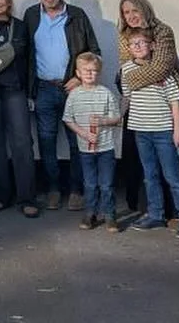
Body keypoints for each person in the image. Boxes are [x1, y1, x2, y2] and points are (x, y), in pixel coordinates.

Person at [23, 0, 99, 212]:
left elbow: (94, 51)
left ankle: (76, 190)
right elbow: (26, 54)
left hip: (72, 88)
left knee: (76, 141)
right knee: (46, 142)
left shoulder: (77, 15)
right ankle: (53, 189)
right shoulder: (31, 15)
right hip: (43, 88)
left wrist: (79, 77)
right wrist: (28, 89)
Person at [115, 0, 179, 217]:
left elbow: (161, 68)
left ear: (144, 9)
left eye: (135, 10)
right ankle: (151, 211)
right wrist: (132, 78)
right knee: (144, 169)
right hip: (139, 112)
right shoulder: (124, 34)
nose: (131, 16)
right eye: (126, 12)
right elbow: (126, 68)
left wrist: (131, 77)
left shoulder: (162, 31)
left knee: (171, 170)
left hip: (161, 111)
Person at [122, 28, 179, 239]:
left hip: (163, 131)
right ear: (129, 48)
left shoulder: (162, 69)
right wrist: (117, 118)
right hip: (141, 131)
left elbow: (175, 102)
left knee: (173, 175)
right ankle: (156, 214)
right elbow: (127, 98)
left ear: (153, 45)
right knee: (150, 175)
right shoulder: (127, 69)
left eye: (142, 42)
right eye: (133, 43)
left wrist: (178, 130)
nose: (138, 46)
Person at [0, 0, 38, 217]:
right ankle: (0, 195)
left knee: (22, 143)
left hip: (15, 91)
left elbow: (30, 61)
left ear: (9, 1)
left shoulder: (21, 27)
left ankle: (27, 197)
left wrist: (31, 91)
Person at [62, 53, 121, 233]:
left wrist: (103, 121)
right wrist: (84, 133)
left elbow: (117, 118)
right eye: (86, 70)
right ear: (78, 73)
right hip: (85, 149)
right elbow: (68, 119)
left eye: (94, 71)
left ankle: (110, 215)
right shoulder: (74, 95)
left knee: (106, 184)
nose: (89, 74)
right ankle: (90, 213)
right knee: (89, 183)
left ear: (99, 73)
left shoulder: (106, 93)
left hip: (106, 148)